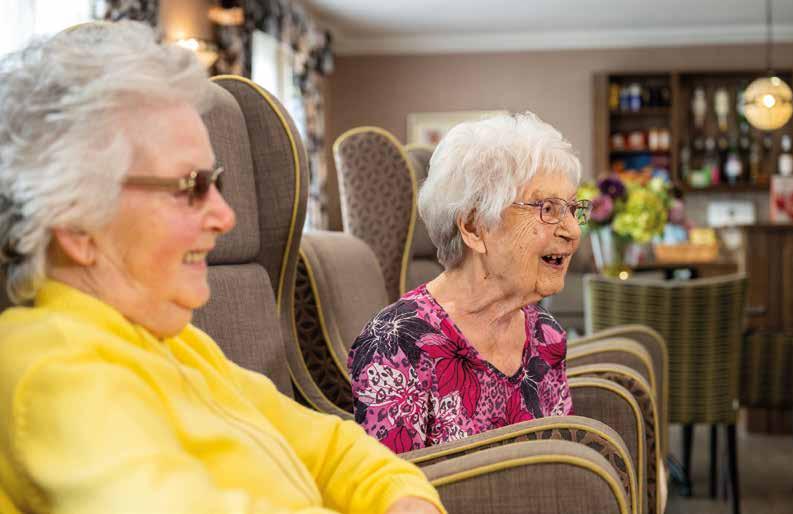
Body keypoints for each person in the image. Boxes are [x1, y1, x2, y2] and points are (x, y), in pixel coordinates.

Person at [0, 21, 443, 514]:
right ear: (77, 224)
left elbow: (332, 448)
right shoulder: (56, 373)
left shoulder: (176, 341)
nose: (226, 216)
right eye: (190, 187)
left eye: (216, 183)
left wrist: (404, 498)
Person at [348, 113, 591, 453]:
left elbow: (558, 464)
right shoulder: (395, 345)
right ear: (475, 228)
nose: (573, 231)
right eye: (548, 209)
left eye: (573, 209)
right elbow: (392, 481)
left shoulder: (545, 334)